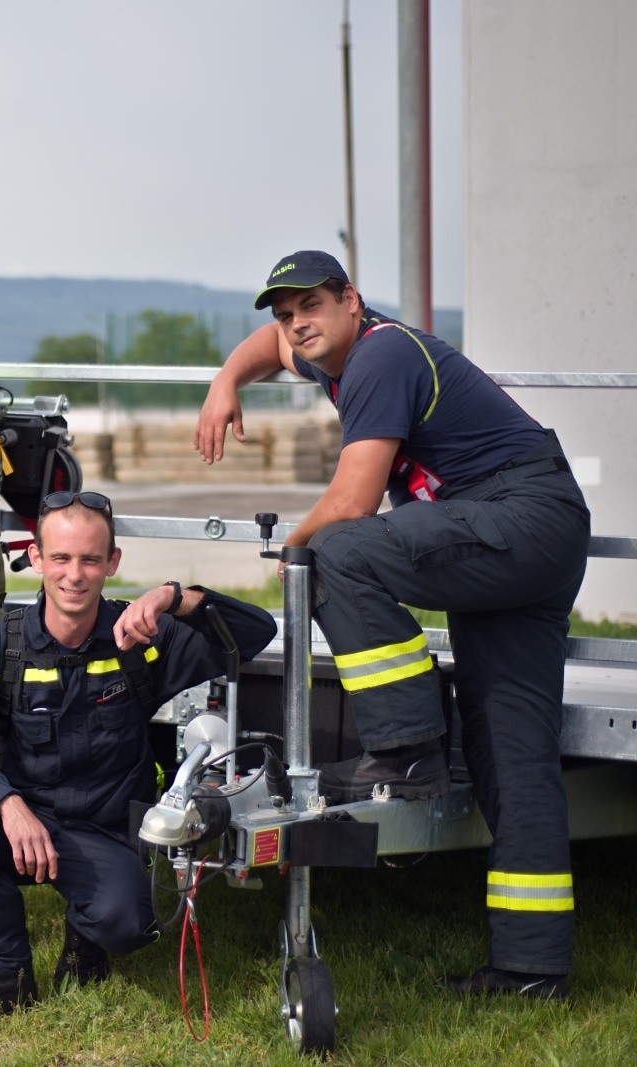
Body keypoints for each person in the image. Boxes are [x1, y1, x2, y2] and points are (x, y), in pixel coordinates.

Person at [195, 250, 589, 1000]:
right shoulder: (330, 350)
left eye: (310, 305)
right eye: (286, 312)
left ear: (353, 300)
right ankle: (532, 965)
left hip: (518, 516)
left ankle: (407, 746)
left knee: (336, 549)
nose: (296, 325)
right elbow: (272, 348)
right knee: (512, 752)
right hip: (529, 529)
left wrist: (294, 555)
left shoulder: (380, 356)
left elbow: (352, 499)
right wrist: (226, 378)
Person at [0, 491, 277, 1022]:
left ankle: (87, 938)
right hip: (23, 824)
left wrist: (173, 597)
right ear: (36, 559)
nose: (73, 575)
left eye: (89, 560)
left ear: (112, 563)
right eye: (60, 558)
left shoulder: (141, 638)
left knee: (129, 924)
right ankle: (3, 964)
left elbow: (255, 632)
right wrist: (6, 805)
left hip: (102, 832)